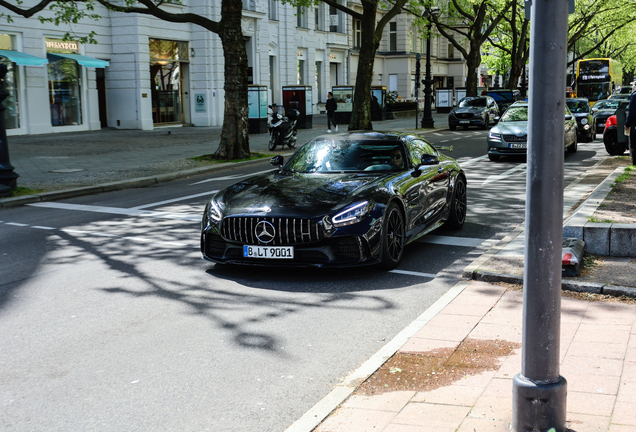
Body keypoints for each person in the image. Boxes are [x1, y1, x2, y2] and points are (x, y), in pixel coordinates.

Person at [624, 81, 636, 165]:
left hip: (635, 125)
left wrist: (627, 124)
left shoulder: (634, 96)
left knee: (634, 146)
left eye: (633, 85)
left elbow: (632, 112)